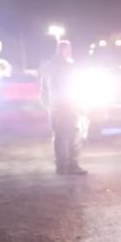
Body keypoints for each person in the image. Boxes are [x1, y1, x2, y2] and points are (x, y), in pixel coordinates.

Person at [39, 40, 87, 175]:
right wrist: (80, 107)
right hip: (70, 107)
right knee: (74, 136)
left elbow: (43, 91)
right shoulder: (69, 67)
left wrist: (49, 106)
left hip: (55, 108)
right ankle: (73, 164)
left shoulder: (47, 67)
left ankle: (61, 166)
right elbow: (73, 89)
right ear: (65, 50)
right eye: (69, 49)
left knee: (59, 137)